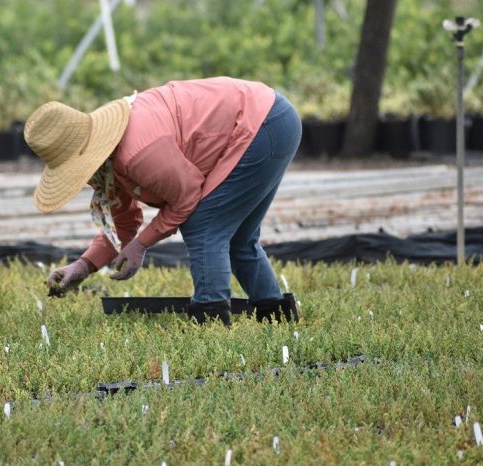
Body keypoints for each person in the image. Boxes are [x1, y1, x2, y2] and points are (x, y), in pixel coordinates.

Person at [25, 76, 301, 326]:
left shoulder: (138, 152)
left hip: (263, 125)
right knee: (239, 237)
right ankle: (275, 317)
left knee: (203, 226)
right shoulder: (110, 159)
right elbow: (124, 220)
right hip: (270, 120)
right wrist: (83, 266)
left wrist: (141, 245)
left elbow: (187, 198)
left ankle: (211, 323)